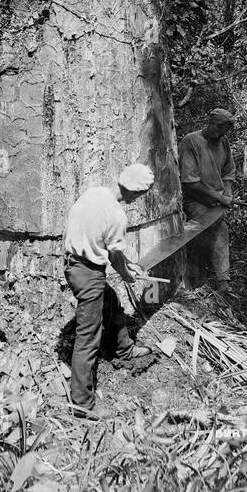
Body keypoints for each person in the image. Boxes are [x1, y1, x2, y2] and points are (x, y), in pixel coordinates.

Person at [63, 162, 155, 415]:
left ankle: (124, 349)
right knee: (87, 338)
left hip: (75, 265)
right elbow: (114, 257)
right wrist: (127, 275)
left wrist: (131, 265)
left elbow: (104, 243)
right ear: (137, 194)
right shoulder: (117, 216)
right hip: (88, 272)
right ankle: (82, 405)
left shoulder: (94, 193)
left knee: (111, 301)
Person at [179, 108, 237, 293]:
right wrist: (218, 197)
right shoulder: (192, 141)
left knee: (220, 232)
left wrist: (226, 193)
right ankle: (199, 282)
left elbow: (228, 172)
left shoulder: (223, 142)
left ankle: (221, 282)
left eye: (225, 129)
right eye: (218, 127)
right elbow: (190, 183)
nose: (220, 132)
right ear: (210, 122)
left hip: (216, 202)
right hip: (195, 200)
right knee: (211, 231)